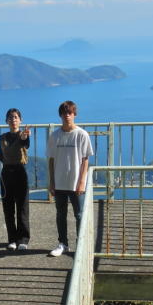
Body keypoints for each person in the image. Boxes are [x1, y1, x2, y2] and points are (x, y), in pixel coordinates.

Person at [47, 100, 93, 257]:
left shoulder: (82, 135)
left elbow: (85, 160)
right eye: (64, 113)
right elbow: (51, 160)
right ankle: (63, 244)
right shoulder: (55, 136)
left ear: (75, 114)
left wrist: (82, 182)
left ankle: (81, 245)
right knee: (61, 214)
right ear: (60, 115)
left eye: (70, 113)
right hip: (59, 182)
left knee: (79, 215)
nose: (67, 115)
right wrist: (52, 182)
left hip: (76, 183)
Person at [0, 108, 31, 250]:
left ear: (20, 120)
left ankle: (23, 239)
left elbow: (25, 143)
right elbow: (2, 158)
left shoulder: (23, 135)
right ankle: (12, 239)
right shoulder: (2, 137)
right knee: (8, 207)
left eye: (16, 117)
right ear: (6, 121)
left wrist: (24, 137)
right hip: (6, 174)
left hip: (20, 172)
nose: (13, 120)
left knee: (22, 206)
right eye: (10, 117)